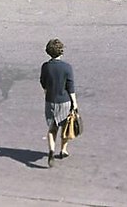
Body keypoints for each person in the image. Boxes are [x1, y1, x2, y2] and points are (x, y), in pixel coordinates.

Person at [39, 38, 77, 168]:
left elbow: (43, 83)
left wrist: (46, 92)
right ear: (61, 51)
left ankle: (51, 150)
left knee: (52, 128)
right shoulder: (67, 67)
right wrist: (75, 103)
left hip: (50, 100)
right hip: (64, 101)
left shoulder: (45, 66)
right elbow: (70, 87)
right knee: (65, 128)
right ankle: (63, 150)